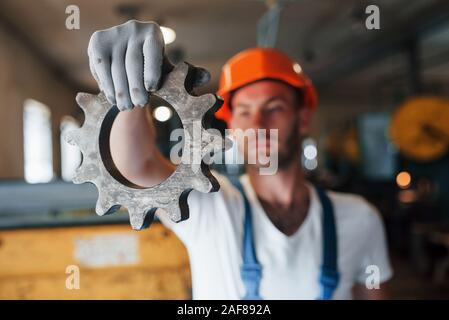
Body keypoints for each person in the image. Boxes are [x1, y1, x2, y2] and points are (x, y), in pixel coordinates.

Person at [87, 20, 393, 299]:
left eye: (274, 108)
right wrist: (127, 92)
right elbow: (136, 166)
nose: (258, 124)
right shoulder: (210, 207)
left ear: (302, 119)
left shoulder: (359, 219)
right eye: (244, 111)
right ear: (231, 124)